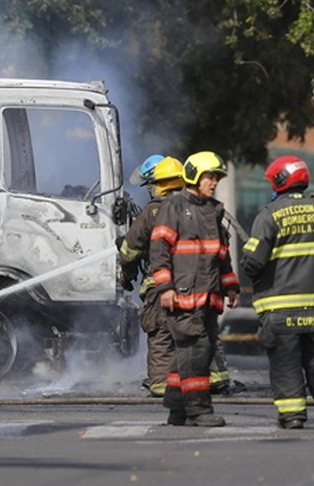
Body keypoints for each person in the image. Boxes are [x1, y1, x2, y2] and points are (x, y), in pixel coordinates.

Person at [241, 155, 314, 431]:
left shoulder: (269, 215)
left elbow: (252, 263)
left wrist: (247, 260)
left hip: (281, 311)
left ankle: (292, 416)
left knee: (285, 364)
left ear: (279, 182)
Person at [148, 151, 239, 427]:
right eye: (210, 177)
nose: (214, 182)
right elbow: (159, 251)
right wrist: (165, 287)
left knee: (190, 352)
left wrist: (230, 286)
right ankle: (199, 409)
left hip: (209, 297)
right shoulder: (174, 207)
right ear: (194, 177)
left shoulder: (213, 211)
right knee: (196, 353)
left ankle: (177, 409)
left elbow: (221, 255)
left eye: (216, 178)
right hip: (184, 297)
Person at [119, 155, 185, 397]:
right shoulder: (197, 207)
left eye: (151, 184)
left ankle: (160, 384)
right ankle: (211, 379)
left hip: (160, 283)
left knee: (160, 335)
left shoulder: (152, 211)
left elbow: (129, 252)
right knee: (196, 333)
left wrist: (125, 275)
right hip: (193, 282)